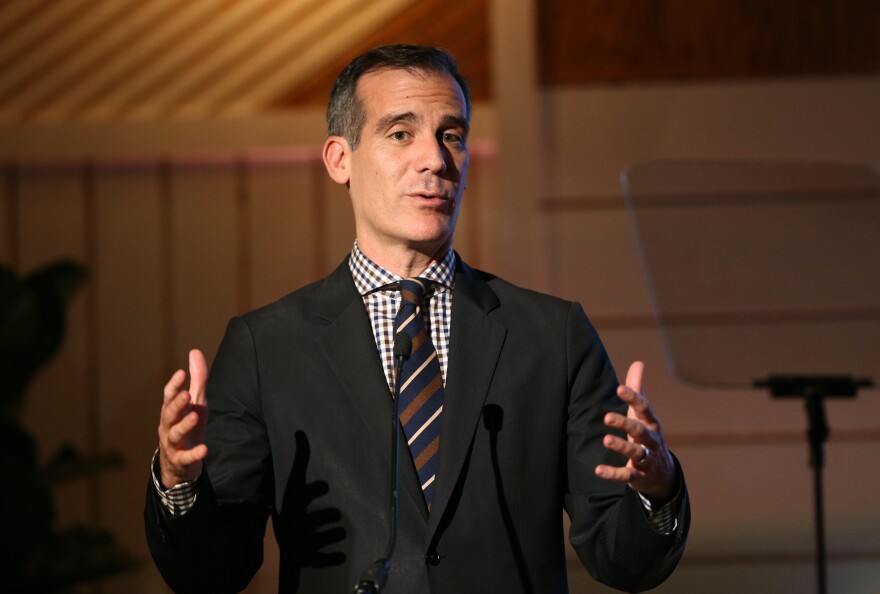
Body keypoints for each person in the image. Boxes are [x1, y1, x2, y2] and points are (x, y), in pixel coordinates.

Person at [145, 45, 689, 594]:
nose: (435, 159)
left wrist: (655, 489)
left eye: (451, 135)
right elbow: (211, 572)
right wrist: (179, 485)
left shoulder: (553, 336)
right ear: (340, 159)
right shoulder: (268, 347)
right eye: (401, 134)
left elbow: (624, 562)